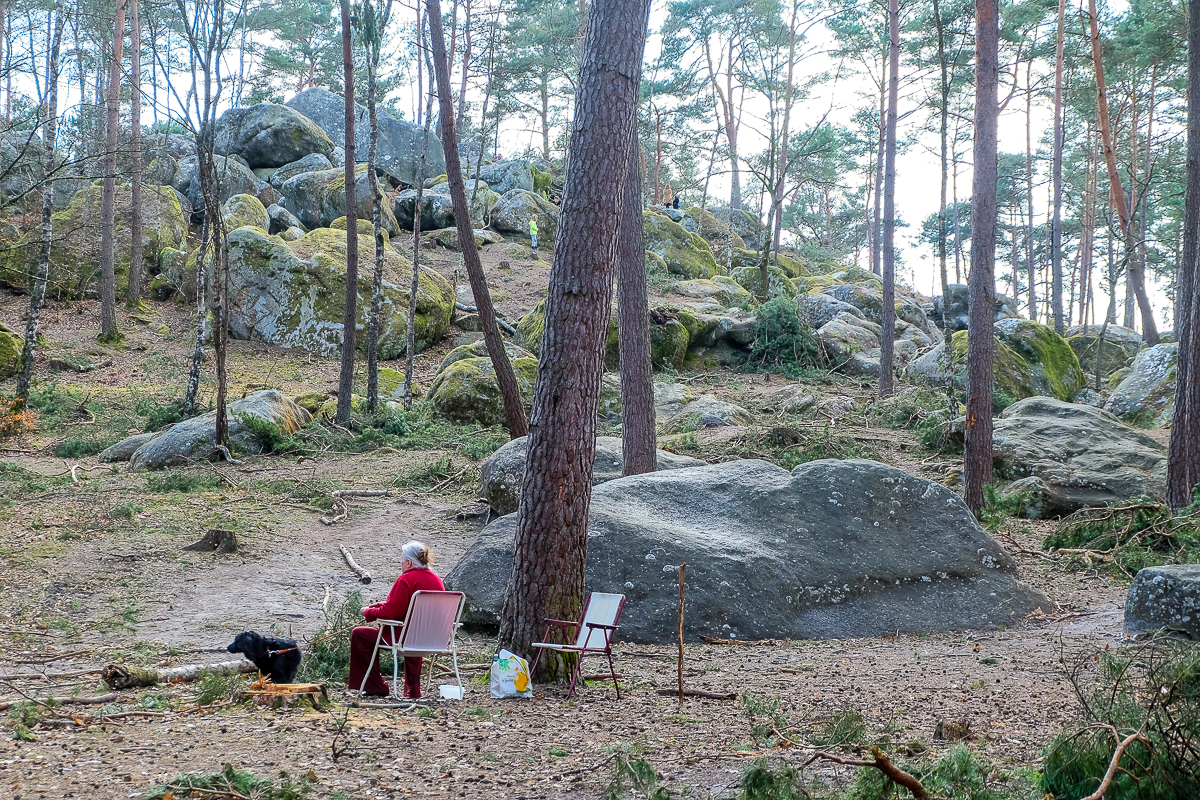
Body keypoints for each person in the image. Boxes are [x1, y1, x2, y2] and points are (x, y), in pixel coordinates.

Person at [348, 540, 444, 698]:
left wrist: (368, 612)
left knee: (360, 634)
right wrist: (380, 606)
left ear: (408, 562)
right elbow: (406, 608)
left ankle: (376, 686)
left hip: (406, 639)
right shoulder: (436, 580)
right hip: (432, 639)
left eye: (401, 560)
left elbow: (391, 613)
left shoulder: (407, 579)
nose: (401, 563)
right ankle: (413, 691)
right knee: (414, 630)